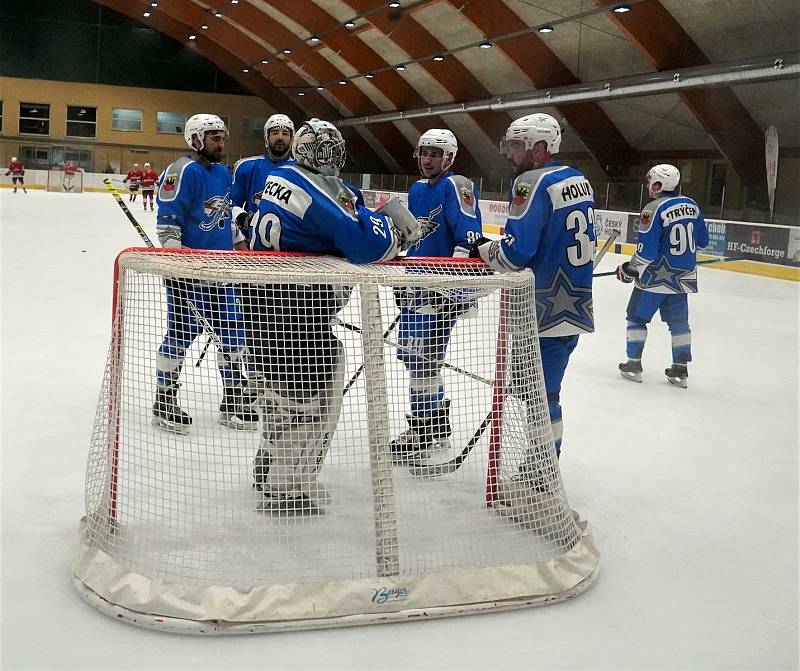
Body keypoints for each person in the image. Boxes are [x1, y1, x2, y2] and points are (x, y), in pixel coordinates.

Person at [246, 118, 421, 512]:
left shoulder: (283, 176)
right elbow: (363, 243)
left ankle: (268, 467)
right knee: (311, 399)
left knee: (281, 396)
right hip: (293, 313)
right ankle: (285, 490)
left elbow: (349, 208)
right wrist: (395, 231)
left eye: (334, 150)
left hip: (261, 308)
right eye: (323, 150)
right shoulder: (310, 185)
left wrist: (371, 216)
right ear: (308, 152)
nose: (331, 158)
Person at [471, 113, 595, 472]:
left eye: (516, 146)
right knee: (540, 390)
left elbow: (515, 253)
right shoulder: (578, 179)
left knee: (542, 394)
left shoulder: (530, 182)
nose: (510, 154)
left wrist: (484, 249)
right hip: (573, 302)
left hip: (540, 307)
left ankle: (543, 468)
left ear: (539, 148)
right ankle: (541, 462)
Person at [152, 113, 256, 434]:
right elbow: (168, 221)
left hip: (222, 272)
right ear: (196, 139)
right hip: (191, 273)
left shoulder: (224, 173)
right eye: (215, 138)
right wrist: (176, 263)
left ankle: (233, 399)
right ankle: (164, 397)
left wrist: (241, 250)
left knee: (233, 335)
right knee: (181, 335)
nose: (221, 143)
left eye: (223, 138)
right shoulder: (182, 171)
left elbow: (225, 220)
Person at [390, 129, 483, 462]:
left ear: (450, 158)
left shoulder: (457, 186)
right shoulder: (417, 189)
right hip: (415, 287)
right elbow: (415, 236)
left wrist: (454, 289)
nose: (427, 159)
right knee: (412, 356)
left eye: (434, 153)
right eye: (423, 152)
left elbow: (469, 238)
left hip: (441, 291)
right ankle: (434, 424)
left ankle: (425, 428)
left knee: (422, 359)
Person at [616, 164, 709, 388]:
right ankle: (680, 370)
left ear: (658, 185)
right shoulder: (692, 206)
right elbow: (703, 242)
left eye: (651, 181)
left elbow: (646, 251)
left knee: (636, 318)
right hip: (682, 278)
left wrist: (631, 269)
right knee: (679, 324)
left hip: (653, 279)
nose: (648, 185)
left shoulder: (653, 208)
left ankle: (634, 364)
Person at [231, 113, 295, 242]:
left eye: (285, 133)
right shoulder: (246, 166)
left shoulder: (301, 170)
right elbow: (229, 203)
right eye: (275, 133)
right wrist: (242, 217)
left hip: (289, 246)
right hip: (250, 244)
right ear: (267, 137)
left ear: (292, 139)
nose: (280, 137)